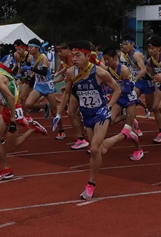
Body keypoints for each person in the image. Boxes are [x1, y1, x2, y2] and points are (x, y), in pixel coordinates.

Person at [59, 41, 140, 200]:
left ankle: (90, 185)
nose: (74, 58)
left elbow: (117, 90)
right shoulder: (71, 73)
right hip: (86, 115)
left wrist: (109, 107)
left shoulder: (100, 72)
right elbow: (67, 94)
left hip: (101, 113)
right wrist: (58, 113)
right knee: (99, 150)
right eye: (72, 55)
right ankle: (124, 134)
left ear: (88, 56)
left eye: (78, 55)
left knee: (95, 149)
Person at [0, 53, 47, 181]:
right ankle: (7, 169)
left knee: (11, 147)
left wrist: (12, 118)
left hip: (13, 110)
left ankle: (33, 128)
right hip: (8, 108)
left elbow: (10, 97)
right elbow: (5, 96)